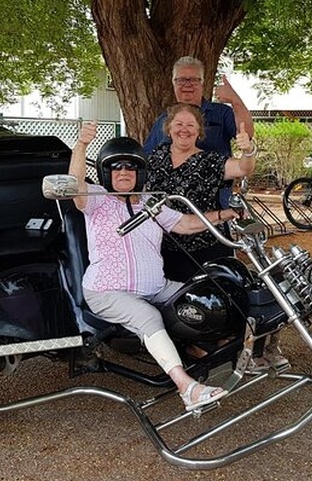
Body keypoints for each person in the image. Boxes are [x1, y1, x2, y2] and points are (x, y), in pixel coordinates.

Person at [69, 121, 237, 411]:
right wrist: (81, 145)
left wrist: (224, 214)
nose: (124, 172)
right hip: (107, 291)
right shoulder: (96, 200)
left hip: (154, 286)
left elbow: (185, 223)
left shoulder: (151, 203)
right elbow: (75, 184)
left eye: (130, 167)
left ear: (141, 172)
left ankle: (218, 357)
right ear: (106, 173)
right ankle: (188, 389)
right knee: (148, 317)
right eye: (116, 167)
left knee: (201, 297)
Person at [146, 103, 288, 371]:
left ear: (199, 130)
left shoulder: (209, 160)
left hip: (204, 245)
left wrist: (248, 150)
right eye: (178, 124)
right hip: (163, 247)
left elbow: (242, 169)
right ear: (168, 128)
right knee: (175, 306)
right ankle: (182, 350)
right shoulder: (155, 157)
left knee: (221, 302)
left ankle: (227, 350)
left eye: (190, 125)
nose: (184, 130)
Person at [143, 55, 254, 208]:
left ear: (203, 83)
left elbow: (246, 135)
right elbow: (146, 159)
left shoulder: (221, 113)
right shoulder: (163, 119)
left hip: (214, 203)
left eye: (194, 80)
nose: (187, 84)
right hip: (169, 207)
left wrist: (235, 100)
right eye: (181, 80)